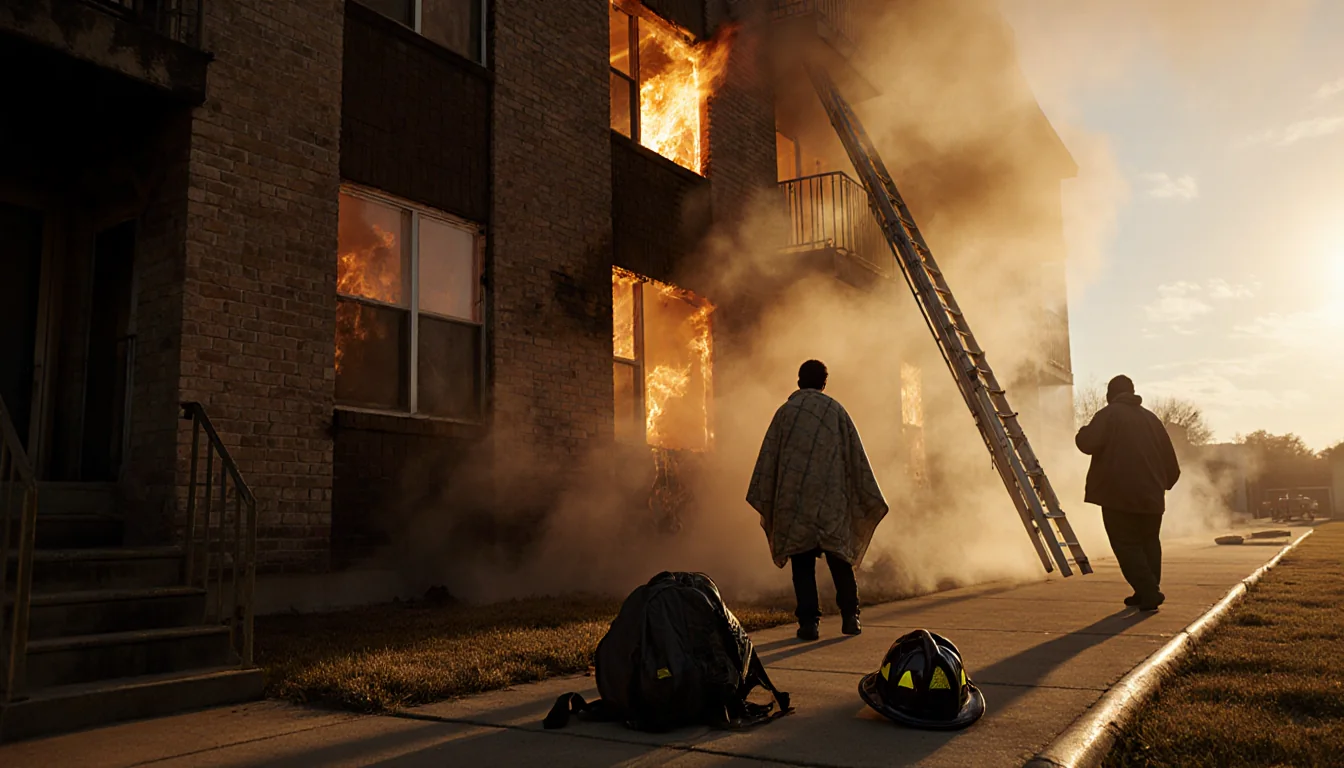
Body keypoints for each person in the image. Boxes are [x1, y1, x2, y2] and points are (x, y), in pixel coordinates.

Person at [746, 360, 889, 640]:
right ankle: (851, 617)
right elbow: (855, 458)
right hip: (832, 503)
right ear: (824, 382)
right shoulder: (836, 412)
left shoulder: (785, 413)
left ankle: (809, 624)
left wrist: (772, 495)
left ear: (799, 380)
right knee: (840, 559)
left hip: (795, 503)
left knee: (802, 564)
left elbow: (769, 461)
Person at [1075, 375, 1181, 611]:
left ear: (1110, 396)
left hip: (1118, 496)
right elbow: (1171, 465)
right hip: (1152, 497)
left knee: (1127, 544)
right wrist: (1160, 486)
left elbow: (1088, 443)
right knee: (1149, 542)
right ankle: (1145, 590)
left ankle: (1149, 591)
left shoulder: (1109, 415)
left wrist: (1081, 431)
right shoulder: (1152, 420)